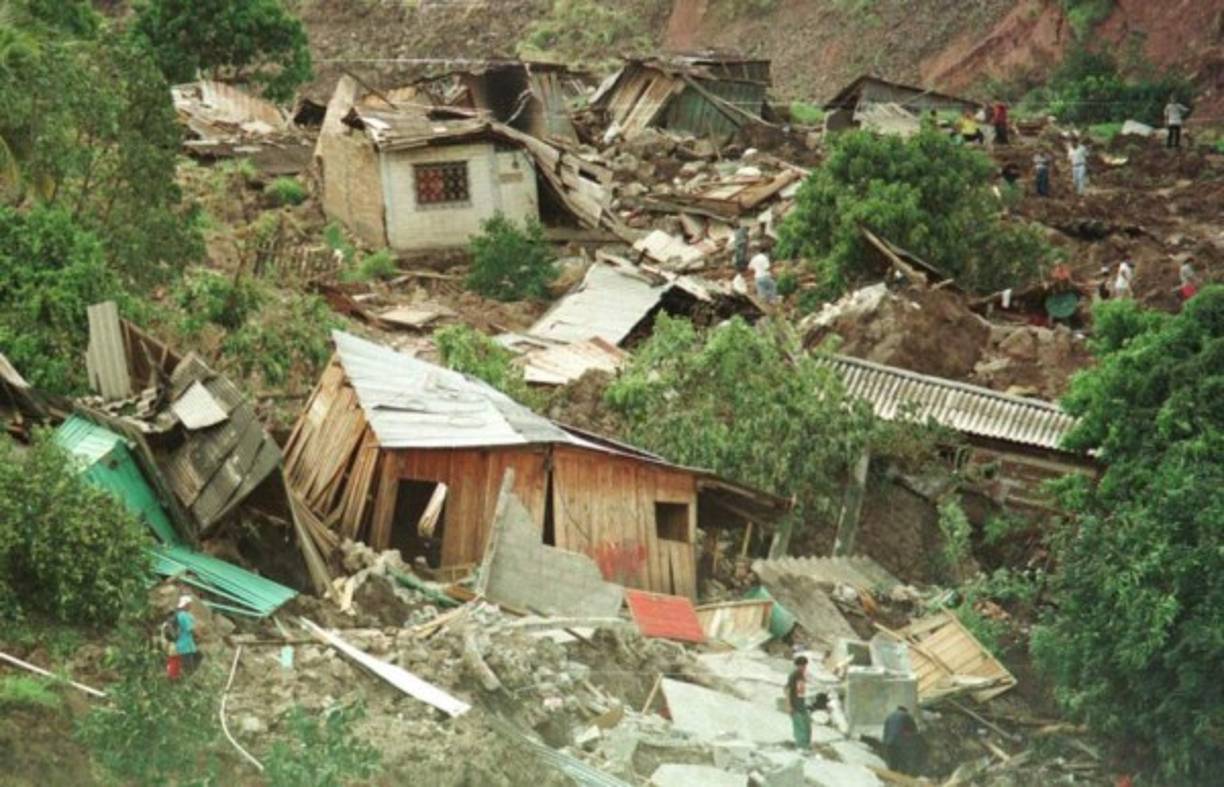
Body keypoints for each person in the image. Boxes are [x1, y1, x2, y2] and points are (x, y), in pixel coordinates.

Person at [883, 705, 920, 774]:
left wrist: (885, 742)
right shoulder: (906, 716)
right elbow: (914, 730)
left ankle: (892, 779)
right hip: (901, 743)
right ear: (905, 710)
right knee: (903, 763)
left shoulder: (889, 716)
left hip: (889, 743)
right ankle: (903, 779)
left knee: (892, 763)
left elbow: (885, 731)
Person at [172, 594, 202, 677]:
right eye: (189, 604)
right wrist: (199, 635)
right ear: (186, 605)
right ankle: (183, 681)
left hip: (188, 645)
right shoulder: (183, 615)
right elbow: (191, 629)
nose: (191, 605)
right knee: (188, 666)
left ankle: (186, 678)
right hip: (184, 645)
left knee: (198, 656)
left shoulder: (182, 614)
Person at [786, 656, 811, 751]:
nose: (804, 667)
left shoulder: (801, 675)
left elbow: (801, 691)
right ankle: (801, 747)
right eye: (802, 666)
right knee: (799, 727)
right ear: (798, 666)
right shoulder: (794, 675)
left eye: (805, 666)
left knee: (806, 726)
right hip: (795, 705)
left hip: (801, 705)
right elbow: (787, 690)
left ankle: (806, 746)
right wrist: (789, 706)